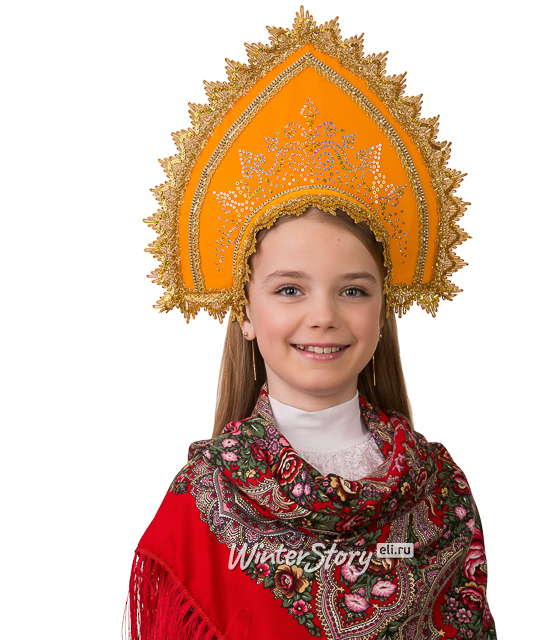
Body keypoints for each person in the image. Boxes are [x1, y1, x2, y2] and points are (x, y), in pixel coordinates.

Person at [127, 9, 496, 640]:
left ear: (383, 312)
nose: (323, 316)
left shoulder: (438, 488)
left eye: (353, 290)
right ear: (245, 311)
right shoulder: (202, 502)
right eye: (290, 289)